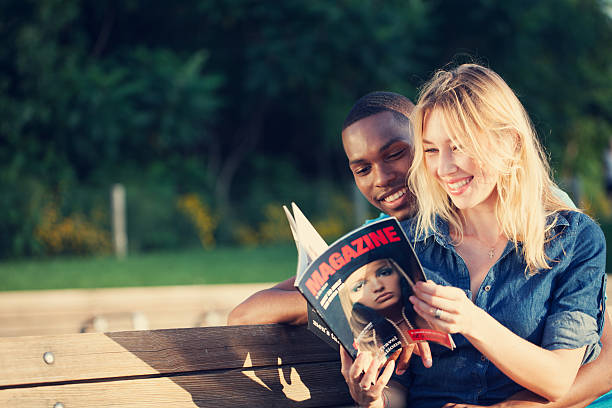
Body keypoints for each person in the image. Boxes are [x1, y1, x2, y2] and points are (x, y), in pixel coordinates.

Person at [228, 91, 612, 408]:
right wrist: (355, 307)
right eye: (362, 168)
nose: (384, 177)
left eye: (397, 153)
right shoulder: (388, 242)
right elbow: (249, 314)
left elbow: (596, 349)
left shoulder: (552, 221)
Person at [341, 64, 609, 408]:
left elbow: (557, 379)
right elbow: (397, 388)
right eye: (432, 150)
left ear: (510, 142)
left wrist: (471, 321)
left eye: (459, 146)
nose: (444, 168)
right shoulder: (405, 243)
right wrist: (372, 396)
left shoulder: (574, 239)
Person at [339, 258, 420, 360]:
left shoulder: (430, 316)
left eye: (384, 273)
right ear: (349, 300)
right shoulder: (365, 353)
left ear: (400, 273)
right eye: (360, 286)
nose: (378, 287)